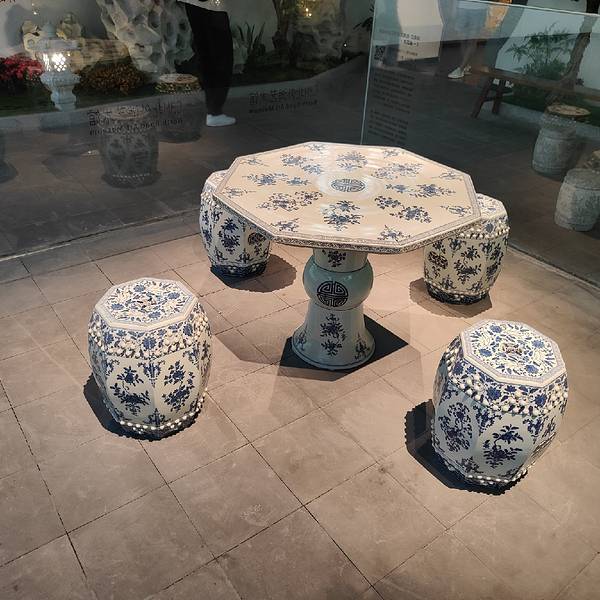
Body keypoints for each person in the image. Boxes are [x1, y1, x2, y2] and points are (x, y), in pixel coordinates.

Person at [179, 0, 236, 126]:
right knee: (220, 54)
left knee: (206, 52)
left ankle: (213, 109)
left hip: (196, 4)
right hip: (210, 5)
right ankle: (215, 110)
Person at [447, 0, 491, 79]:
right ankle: (465, 65)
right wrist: (454, 8)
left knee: (472, 40)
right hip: (462, 7)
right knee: (463, 39)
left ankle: (461, 68)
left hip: (479, 9)